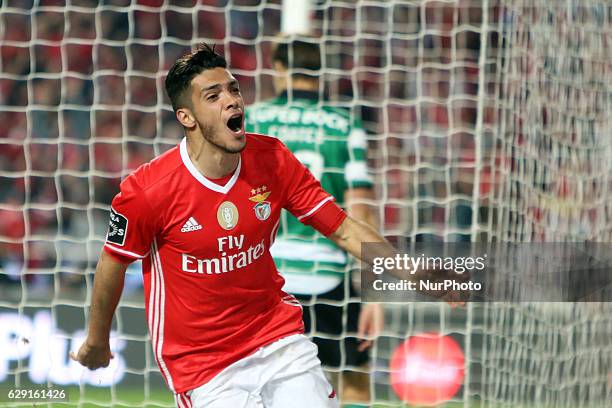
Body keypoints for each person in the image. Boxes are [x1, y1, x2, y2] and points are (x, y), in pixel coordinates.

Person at [69, 43, 400, 408]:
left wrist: (412, 270)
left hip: (277, 338)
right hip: (204, 363)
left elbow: (343, 228)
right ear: (187, 117)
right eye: (213, 95)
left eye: (234, 89)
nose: (232, 100)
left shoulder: (272, 159)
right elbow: (113, 261)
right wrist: (97, 341)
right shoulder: (148, 191)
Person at [245, 37, 382, 406]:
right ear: (319, 73)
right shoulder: (345, 125)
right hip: (329, 276)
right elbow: (361, 210)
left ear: (278, 69)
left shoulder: (254, 119)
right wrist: (372, 292)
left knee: (258, 381)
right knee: (354, 376)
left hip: (268, 277)